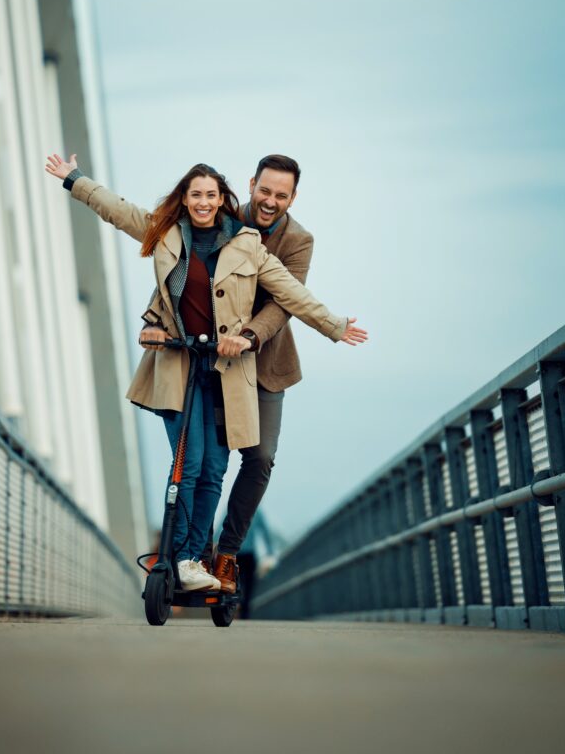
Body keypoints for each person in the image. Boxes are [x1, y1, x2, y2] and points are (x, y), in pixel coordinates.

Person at [45, 154, 367, 592]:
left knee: (230, 463)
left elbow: (289, 295)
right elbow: (122, 212)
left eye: (210, 195)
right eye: (196, 194)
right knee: (189, 462)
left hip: (239, 363)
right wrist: (75, 180)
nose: (204, 202)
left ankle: (212, 555)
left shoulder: (252, 240)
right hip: (181, 361)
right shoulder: (170, 231)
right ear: (247, 187)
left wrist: (332, 325)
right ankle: (181, 558)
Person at [204, 154, 317, 594]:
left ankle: (228, 553)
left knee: (261, 457)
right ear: (252, 184)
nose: (270, 201)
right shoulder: (222, 217)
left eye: (281, 195)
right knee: (208, 457)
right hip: (211, 355)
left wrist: (250, 335)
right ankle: (194, 550)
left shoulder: (300, 240)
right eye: (264, 191)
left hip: (266, 361)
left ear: (293, 197)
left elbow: (286, 302)